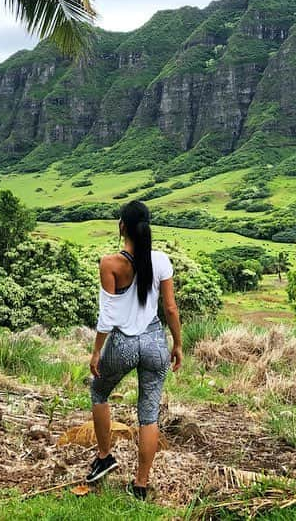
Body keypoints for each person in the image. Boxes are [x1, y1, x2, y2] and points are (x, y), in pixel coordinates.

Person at [85, 200, 183, 500]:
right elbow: (170, 308)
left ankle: (104, 457)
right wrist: (177, 344)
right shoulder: (161, 260)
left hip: (124, 342)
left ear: (122, 226)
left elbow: (108, 316)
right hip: (155, 341)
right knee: (148, 414)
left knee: (99, 392)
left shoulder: (110, 264)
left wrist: (96, 350)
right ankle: (140, 485)